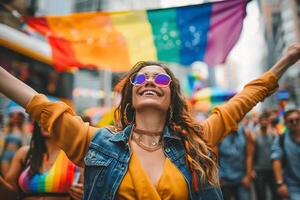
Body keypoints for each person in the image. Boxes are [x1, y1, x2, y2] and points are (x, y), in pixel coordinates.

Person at [0, 43, 299, 199]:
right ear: (131, 95)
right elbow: (39, 104)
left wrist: (286, 59)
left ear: (172, 95)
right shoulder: (98, 143)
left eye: (161, 78)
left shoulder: (196, 140)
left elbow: (245, 99)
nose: (150, 82)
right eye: (141, 78)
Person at [0, 121, 84, 200]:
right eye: (41, 118)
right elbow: (8, 195)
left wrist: (83, 194)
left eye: (50, 118)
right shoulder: (24, 154)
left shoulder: (75, 155)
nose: (45, 122)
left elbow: (88, 190)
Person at [250, 111, 280, 200]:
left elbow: (278, 151)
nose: (263, 122)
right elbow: (250, 154)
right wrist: (251, 170)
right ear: (259, 121)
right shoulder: (254, 134)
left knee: (276, 195)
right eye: (261, 120)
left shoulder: (273, 133)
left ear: (268, 121)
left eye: (265, 120)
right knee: (261, 195)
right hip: (259, 171)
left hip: (272, 169)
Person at [271, 109, 300, 200]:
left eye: (297, 120)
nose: (295, 122)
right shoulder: (281, 139)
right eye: (291, 121)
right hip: (293, 187)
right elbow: (276, 160)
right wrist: (280, 184)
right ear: (286, 122)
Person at [218, 126, 253, 200]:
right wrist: (218, 177)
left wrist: (248, 176)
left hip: (241, 180)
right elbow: (214, 157)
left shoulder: (245, 133)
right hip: (224, 181)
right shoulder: (219, 134)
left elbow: (249, 156)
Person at [1, 110, 30, 175]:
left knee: (12, 177)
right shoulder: (6, 129)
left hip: (17, 156)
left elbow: (25, 143)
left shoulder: (23, 130)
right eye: (13, 117)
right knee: (5, 177)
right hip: (6, 155)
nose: (15, 119)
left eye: (17, 118)